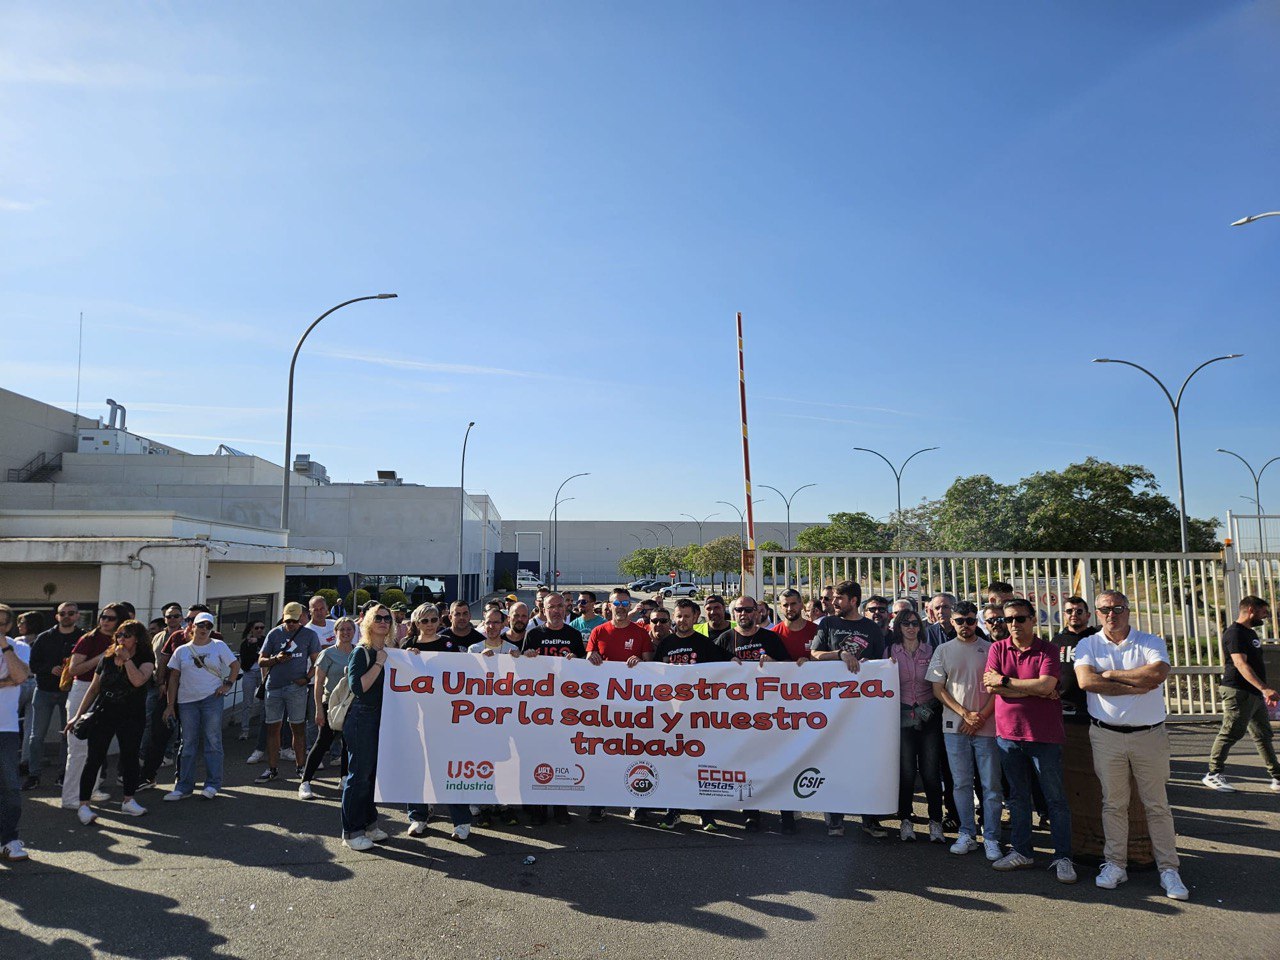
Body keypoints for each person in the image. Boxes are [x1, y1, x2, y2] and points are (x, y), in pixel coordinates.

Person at [1074, 590, 1188, 901]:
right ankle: (1115, 864)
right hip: (1106, 735)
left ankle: (1168, 868)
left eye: (1118, 608)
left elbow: (1158, 674)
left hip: (1148, 735)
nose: (1112, 614)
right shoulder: (1087, 644)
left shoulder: (1150, 641)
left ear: (1128, 609)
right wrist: (1136, 684)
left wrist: (1111, 675)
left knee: (1156, 804)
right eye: (1105, 609)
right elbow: (1086, 682)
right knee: (1114, 804)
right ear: (1096, 613)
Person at [984, 598, 1075, 882]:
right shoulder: (998, 648)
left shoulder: (1048, 649)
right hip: (1008, 735)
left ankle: (1063, 857)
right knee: (1018, 798)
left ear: (1033, 619)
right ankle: (1022, 851)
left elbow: (1046, 685)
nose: (1013, 624)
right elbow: (991, 686)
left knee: (1055, 799)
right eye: (1007, 619)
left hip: (1044, 735)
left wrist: (1008, 682)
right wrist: (1032, 689)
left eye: (1020, 618)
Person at [809, 580, 886, 838]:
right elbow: (815, 654)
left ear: (853, 600)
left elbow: (881, 662)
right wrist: (840, 654)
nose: (834, 603)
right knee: (833, 761)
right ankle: (835, 820)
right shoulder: (829, 624)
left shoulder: (871, 628)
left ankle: (870, 819)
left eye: (839, 599)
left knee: (866, 763)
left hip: (863, 707)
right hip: (832, 707)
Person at [927, 601, 1003, 860]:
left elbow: (997, 689)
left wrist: (979, 716)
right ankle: (967, 833)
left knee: (990, 786)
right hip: (955, 726)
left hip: (986, 726)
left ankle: (991, 836)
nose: (966, 625)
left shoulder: (991, 649)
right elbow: (938, 689)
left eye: (971, 620)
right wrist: (965, 714)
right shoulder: (943, 649)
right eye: (960, 620)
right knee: (960, 783)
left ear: (976, 621)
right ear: (952, 621)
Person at [651, 599, 732, 832]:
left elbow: (725, 669)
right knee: (674, 764)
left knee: (700, 764)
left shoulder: (705, 643)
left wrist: (737, 663)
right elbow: (654, 676)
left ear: (696, 617)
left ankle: (705, 813)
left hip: (698, 715)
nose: (682, 621)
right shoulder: (665, 644)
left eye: (687, 616)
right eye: (678, 616)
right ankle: (673, 811)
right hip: (672, 717)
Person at [64, 620, 155, 823]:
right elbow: (94, 688)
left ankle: (128, 801)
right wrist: (78, 715)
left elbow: (139, 680)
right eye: (119, 635)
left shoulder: (146, 657)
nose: (121, 639)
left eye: (127, 635)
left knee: (130, 757)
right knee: (94, 758)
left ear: (137, 639)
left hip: (132, 715)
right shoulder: (106, 658)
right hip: (104, 712)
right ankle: (84, 805)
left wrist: (127, 660)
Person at [716, 596, 794, 832]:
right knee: (746, 765)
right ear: (733, 613)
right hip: (739, 718)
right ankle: (751, 811)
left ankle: (787, 814)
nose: (743, 613)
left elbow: (792, 671)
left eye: (748, 609)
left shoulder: (771, 638)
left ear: (758, 613)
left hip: (769, 715)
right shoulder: (725, 639)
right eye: (739, 610)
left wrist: (774, 664)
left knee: (777, 764)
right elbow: (709, 674)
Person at [400, 603, 474, 839]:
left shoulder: (448, 646)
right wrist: (407, 660)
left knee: (450, 769)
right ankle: (418, 816)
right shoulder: (406, 647)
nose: (430, 625)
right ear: (416, 624)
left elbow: (465, 675)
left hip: (446, 718)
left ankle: (461, 821)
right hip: (416, 718)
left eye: (433, 620)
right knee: (417, 769)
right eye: (424, 621)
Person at [584, 588, 654, 822]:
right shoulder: (598, 631)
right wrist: (591, 659)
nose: (621, 606)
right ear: (610, 605)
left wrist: (640, 663)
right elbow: (587, 663)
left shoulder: (641, 633)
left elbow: (649, 665)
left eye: (625, 602)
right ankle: (599, 803)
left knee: (633, 754)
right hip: (603, 708)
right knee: (602, 755)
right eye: (617, 602)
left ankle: (636, 803)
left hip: (633, 707)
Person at [1203, 595, 1279, 793]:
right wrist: (1264, 688)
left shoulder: (1250, 633)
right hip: (1238, 691)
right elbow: (1240, 664)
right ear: (1251, 610)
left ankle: (1277, 777)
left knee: (1263, 735)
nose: (1266, 617)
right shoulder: (1235, 633)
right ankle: (1213, 774)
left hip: (1253, 693)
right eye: (1263, 613)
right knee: (1231, 732)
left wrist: (1261, 691)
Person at [522, 593, 585, 827]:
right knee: (539, 756)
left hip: (566, 707)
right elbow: (523, 669)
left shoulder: (573, 635)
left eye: (560, 606)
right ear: (543, 609)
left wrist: (576, 659)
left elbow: (584, 667)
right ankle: (538, 807)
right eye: (552, 607)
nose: (557, 610)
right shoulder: (534, 634)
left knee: (563, 755)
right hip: (540, 707)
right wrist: (527, 657)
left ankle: (561, 807)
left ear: (566, 609)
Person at [163, 612, 238, 801]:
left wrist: (227, 685)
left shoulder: (218, 646)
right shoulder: (182, 650)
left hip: (211, 698)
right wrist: (170, 705)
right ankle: (183, 786)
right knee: (187, 743)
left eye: (208, 626)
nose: (204, 629)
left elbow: (235, 665)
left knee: (212, 740)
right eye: (201, 625)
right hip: (187, 700)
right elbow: (173, 678)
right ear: (192, 626)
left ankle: (213, 784)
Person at [341, 604, 395, 851]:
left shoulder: (391, 651)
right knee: (359, 775)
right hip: (362, 718)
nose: (383, 622)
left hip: (382, 719)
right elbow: (358, 687)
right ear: (368, 623)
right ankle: (351, 832)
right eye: (378, 618)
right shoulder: (361, 652)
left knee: (372, 776)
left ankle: (369, 825)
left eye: (387, 618)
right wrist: (378, 664)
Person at [887, 608, 943, 843]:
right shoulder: (890, 652)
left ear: (920, 626)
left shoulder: (931, 651)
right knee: (907, 772)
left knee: (930, 772)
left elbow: (941, 680)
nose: (911, 627)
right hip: (902, 716)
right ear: (898, 627)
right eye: (905, 623)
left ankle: (935, 821)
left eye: (914, 623)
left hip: (928, 716)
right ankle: (906, 820)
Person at [61, 604, 125, 811]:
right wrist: (101, 658)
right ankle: (70, 796)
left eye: (111, 618)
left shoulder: (120, 640)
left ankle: (92, 789)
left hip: (106, 693)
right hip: (83, 689)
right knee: (78, 748)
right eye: (103, 617)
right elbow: (74, 669)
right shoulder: (88, 639)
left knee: (97, 746)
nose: (105, 621)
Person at [256, 602, 320, 784]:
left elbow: (317, 661)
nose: (290, 624)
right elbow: (261, 660)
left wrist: (307, 679)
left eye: (293, 621)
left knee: (298, 728)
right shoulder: (274, 633)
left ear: (300, 618)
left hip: (296, 687)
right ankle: (272, 768)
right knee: (272, 729)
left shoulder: (309, 635)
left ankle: (301, 767)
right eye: (287, 621)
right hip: (274, 686)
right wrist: (276, 659)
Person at [23, 602, 80, 790]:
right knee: (36, 736)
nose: (66, 616)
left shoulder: (82, 637)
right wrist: (49, 669)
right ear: (57, 616)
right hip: (44, 691)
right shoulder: (44, 637)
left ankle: (63, 774)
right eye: (62, 613)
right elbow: (33, 665)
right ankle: (34, 774)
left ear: (77, 616)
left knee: (67, 736)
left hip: (70, 692)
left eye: (70, 613)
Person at [298, 617, 355, 801]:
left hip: (352, 705)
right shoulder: (327, 654)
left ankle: (344, 778)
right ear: (336, 632)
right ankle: (305, 781)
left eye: (349, 629)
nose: (346, 633)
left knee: (348, 743)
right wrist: (318, 710)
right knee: (323, 742)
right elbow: (318, 684)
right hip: (330, 703)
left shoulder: (358, 652)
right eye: (342, 629)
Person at [0, 622, 32, 860]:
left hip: (6, 728)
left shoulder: (17, 647)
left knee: (10, 787)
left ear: (9, 625)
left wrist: (4, 647)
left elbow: (20, 676)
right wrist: (5, 682)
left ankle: (9, 840)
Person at [1052, 596, 1097, 726]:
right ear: (1064, 615)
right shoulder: (1056, 641)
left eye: (1079, 611)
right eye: (1069, 611)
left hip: (1092, 707)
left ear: (1088, 615)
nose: (1074, 615)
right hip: (1062, 708)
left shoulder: (1097, 639)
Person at [235, 620, 265, 739]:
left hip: (263, 672)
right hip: (250, 673)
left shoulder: (265, 640)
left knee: (264, 702)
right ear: (251, 629)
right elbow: (245, 661)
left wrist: (258, 643)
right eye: (257, 628)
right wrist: (255, 653)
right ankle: (244, 730)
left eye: (262, 628)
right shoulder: (245, 643)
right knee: (247, 703)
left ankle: (263, 730)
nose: (259, 630)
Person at [772, 589, 815, 664]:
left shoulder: (817, 630)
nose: (789, 608)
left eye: (793, 604)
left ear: (802, 605)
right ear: (781, 608)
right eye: (785, 605)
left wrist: (810, 663)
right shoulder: (773, 634)